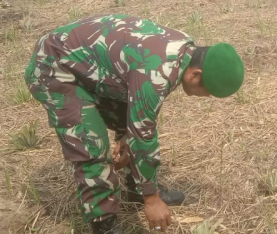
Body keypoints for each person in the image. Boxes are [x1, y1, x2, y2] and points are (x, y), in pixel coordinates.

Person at [24, 14, 244, 233]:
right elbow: (143, 134)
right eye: (208, 92)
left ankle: (135, 190)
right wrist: (153, 199)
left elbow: (135, 110)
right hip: (53, 67)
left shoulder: (184, 49)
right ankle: (103, 223)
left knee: (131, 129)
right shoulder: (157, 73)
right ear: (196, 75)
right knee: (91, 144)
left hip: (91, 65)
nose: (206, 97)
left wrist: (124, 135)